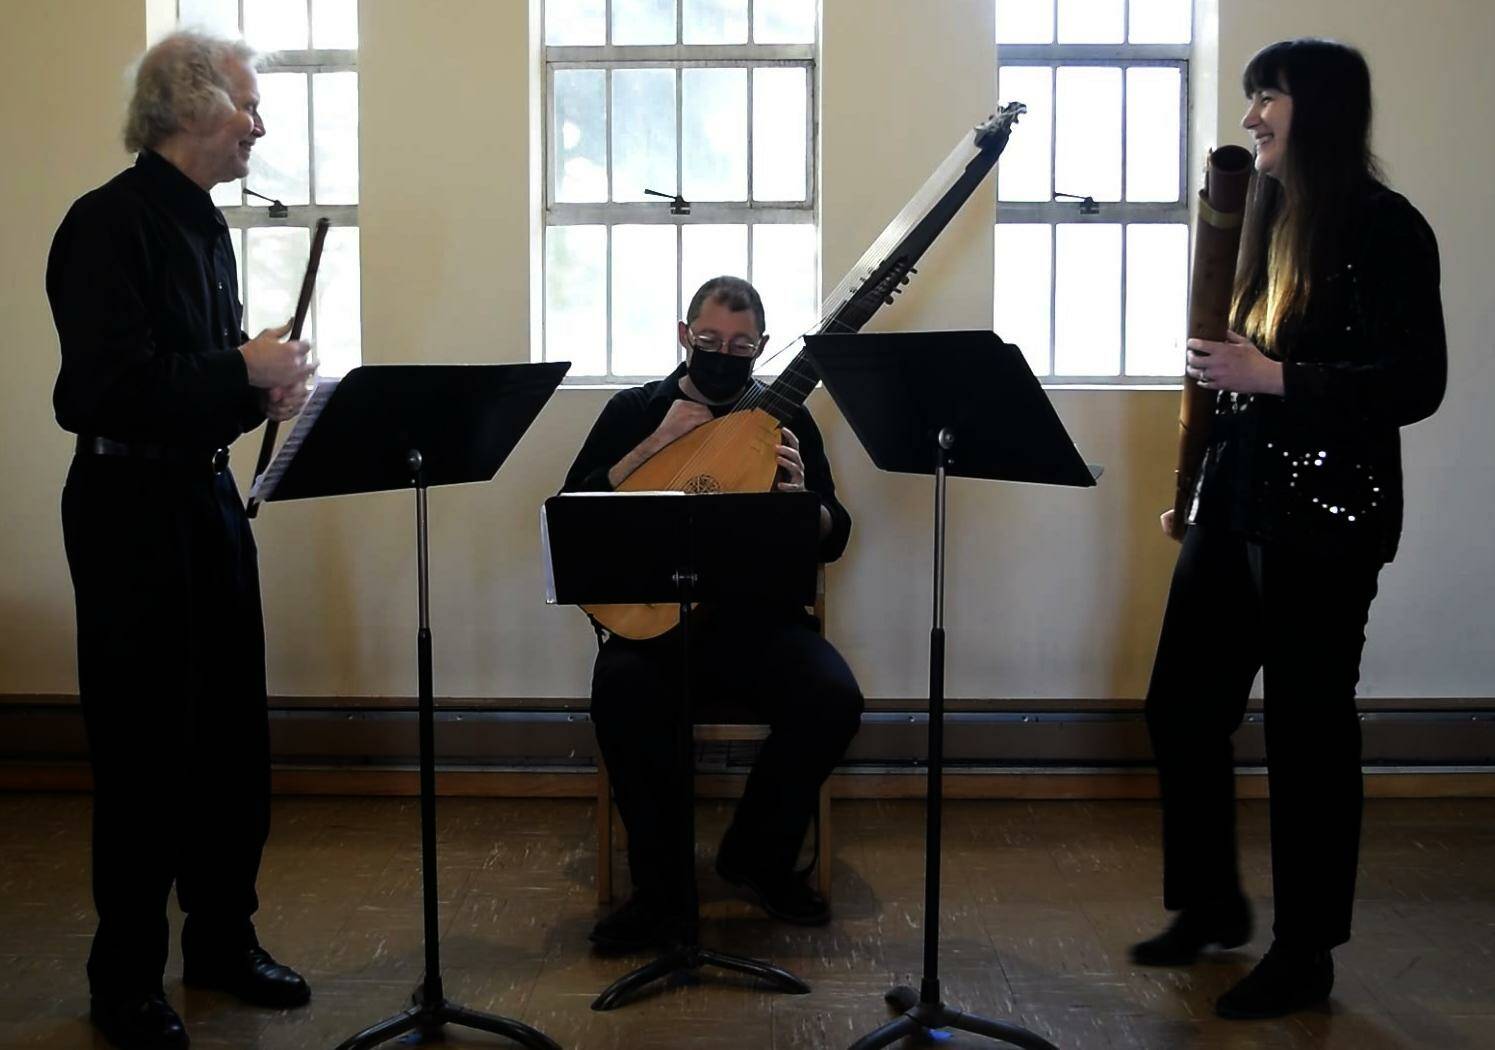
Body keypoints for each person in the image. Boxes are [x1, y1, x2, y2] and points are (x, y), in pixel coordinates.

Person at [1132, 38, 1446, 1019]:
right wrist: (1209, 447)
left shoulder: (1387, 227)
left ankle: (1305, 953)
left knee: (1309, 733)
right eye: (1249, 97)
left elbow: (1415, 384)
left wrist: (1269, 377)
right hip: (1237, 494)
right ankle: (1212, 905)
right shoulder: (1262, 215)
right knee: (1181, 705)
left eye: (1264, 95)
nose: (1250, 115)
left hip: (1328, 514)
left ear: (1318, 104)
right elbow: (1238, 361)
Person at [47, 30, 318, 1050]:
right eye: (249, 104)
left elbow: (203, 391)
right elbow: (99, 391)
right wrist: (234, 373)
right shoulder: (105, 226)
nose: (258, 124)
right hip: (125, 508)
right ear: (190, 104)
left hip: (201, 501)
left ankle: (220, 941)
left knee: (228, 737)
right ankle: (124, 978)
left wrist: (263, 390)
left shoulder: (206, 229)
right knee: (143, 747)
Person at [562, 276, 864, 952]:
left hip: (761, 624)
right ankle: (662, 897)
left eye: (740, 344)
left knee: (832, 697)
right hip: (652, 627)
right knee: (623, 691)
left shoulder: (788, 418)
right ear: (683, 336)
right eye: (708, 341)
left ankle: (756, 857)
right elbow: (573, 513)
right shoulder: (634, 409)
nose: (723, 354)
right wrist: (651, 446)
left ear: (760, 347)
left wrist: (802, 498)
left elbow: (835, 534)